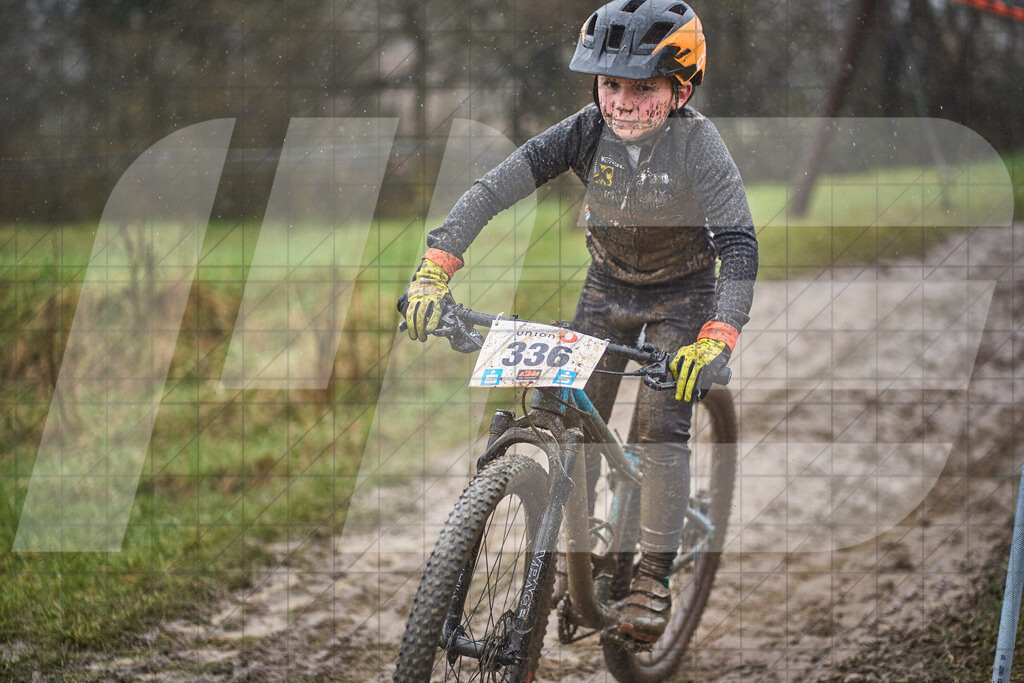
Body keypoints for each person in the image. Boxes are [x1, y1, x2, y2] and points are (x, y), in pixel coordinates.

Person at [400, 0, 757, 644]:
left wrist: (719, 334)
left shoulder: (702, 146)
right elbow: (494, 187)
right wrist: (435, 265)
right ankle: (583, 560)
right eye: (610, 83)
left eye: (641, 88)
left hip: (683, 296)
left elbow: (739, 246)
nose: (620, 101)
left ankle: (653, 573)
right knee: (576, 416)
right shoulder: (585, 129)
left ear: (680, 90)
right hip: (607, 287)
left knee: (659, 421)